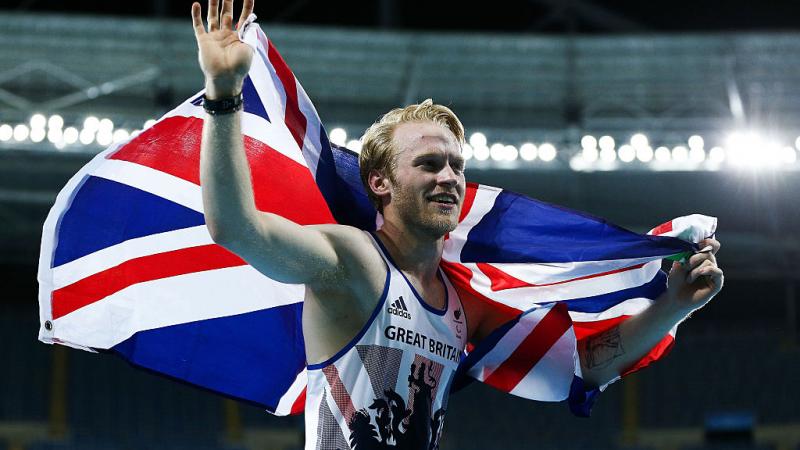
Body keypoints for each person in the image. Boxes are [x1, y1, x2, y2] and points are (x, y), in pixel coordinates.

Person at [191, 0, 724, 448]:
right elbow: (237, 228)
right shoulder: (353, 262)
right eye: (427, 164)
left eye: (456, 166)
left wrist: (675, 305)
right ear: (379, 182)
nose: (449, 177)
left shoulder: (462, 302)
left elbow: (586, 365)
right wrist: (223, 95)